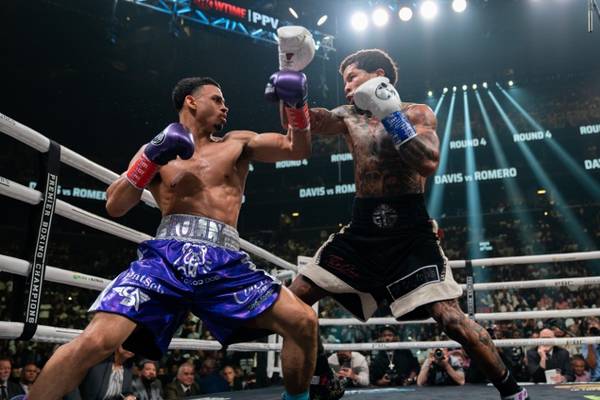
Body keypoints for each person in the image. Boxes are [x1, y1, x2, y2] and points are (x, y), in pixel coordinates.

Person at [26, 47, 318, 400]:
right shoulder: (157, 149)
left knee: (303, 321)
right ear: (191, 102)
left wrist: (297, 105)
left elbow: (296, 148)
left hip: (225, 262)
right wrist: (151, 157)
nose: (225, 107)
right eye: (217, 99)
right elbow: (115, 205)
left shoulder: (237, 143)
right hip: (165, 261)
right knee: (96, 341)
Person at [285, 48, 529, 400]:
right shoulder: (348, 116)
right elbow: (304, 123)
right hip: (363, 230)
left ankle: (513, 392)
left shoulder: (417, 112)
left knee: (451, 318)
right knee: (292, 299)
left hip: (410, 232)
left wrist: (390, 115)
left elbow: (428, 162)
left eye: (352, 78)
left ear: (378, 75)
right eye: (344, 81)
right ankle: (323, 377)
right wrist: (291, 87)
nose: (346, 87)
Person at [64, 346, 136, 400]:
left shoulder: (128, 367)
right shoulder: (97, 358)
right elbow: (70, 381)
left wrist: (129, 397)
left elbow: (127, 392)